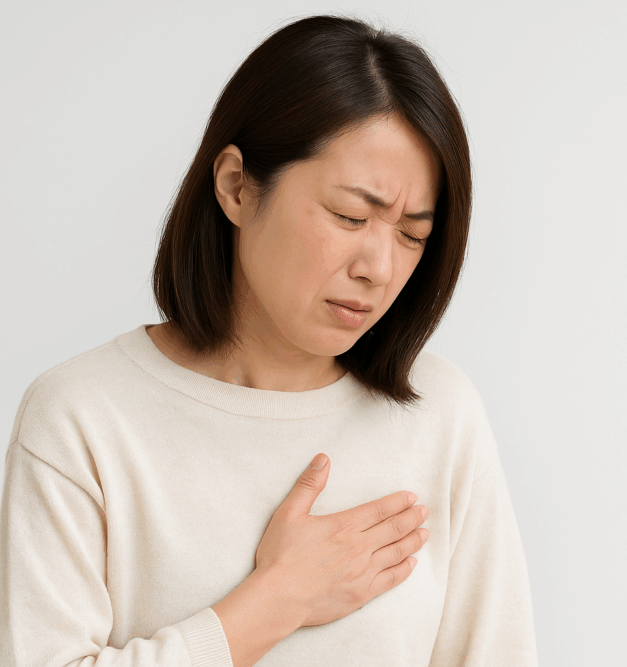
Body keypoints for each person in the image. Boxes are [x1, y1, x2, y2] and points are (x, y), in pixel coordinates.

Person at [0, 15, 537, 667]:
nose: (379, 267)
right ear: (236, 186)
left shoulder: (440, 415)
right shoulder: (81, 418)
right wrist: (277, 600)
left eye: (412, 235)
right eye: (350, 215)